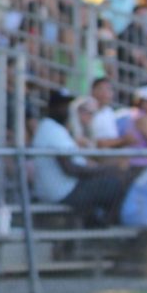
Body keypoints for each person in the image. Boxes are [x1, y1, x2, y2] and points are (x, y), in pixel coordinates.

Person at [30, 88, 126, 226]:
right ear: (51, 107)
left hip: (63, 188)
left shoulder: (52, 128)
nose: (64, 109)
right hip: (63, 192)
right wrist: (105, 170)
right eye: (60, 105)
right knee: (117, 183)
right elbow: (71, 169)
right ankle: (105, 227)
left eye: (67, 105)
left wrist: (101, 169)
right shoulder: (51, 129)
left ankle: (97, 223)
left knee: (114, 177)